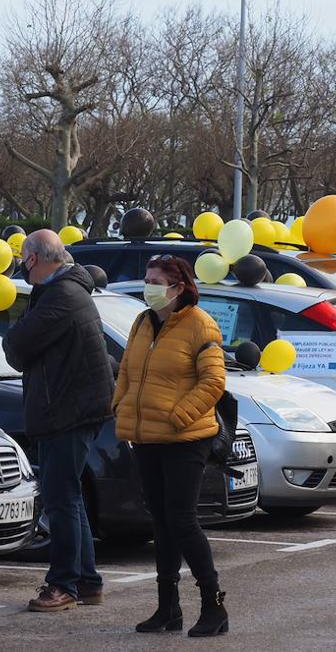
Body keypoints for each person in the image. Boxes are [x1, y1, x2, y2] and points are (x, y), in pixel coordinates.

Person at [112, 254, 228, 638]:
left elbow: (213, 383)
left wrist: (178, 416)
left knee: (182, 519)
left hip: (186, 439)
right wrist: (121, 406)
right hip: (147, 438)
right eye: (146, 279)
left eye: (156, 281)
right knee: (160, 521)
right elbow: (127, 369)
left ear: (179, 288)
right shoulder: (143, 322)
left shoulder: (201, 325)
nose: (148, 286)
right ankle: (168, 608)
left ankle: (214, 607)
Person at [2, 229, 114, 612]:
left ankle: (63, 583)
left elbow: (16, 347)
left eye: (24, 259)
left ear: (34, 258)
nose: (21, 266)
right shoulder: (65, 290)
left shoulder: (61, 296)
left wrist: (16, 336)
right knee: (70, 497)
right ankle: (86, 580)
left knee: (60, 498)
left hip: (67, 409)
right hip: (72, 407)